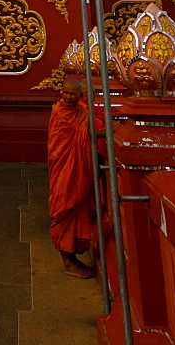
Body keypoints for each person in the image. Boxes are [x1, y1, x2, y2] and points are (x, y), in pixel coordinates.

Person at [47, 77, 106, 279]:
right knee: (65, 210)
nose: (69, 97)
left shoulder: (82, 111)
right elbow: (86, 133)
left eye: (74, 94)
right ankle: (68, 263)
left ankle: (72, 261)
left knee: (76, 210)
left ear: (82, 96)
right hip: (64, 169)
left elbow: (86, 131)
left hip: (76, 169)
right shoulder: (59, 112)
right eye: (66, 92)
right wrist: (116, 131)